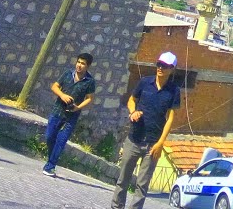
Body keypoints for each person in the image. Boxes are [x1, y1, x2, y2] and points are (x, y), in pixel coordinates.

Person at [110, 51, 181, 209]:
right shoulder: (144, 82)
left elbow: (170, 118)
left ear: (172, 69)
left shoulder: (174, 91)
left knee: (142, 185)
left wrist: (161, 143)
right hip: (134, 138)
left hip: (153, 144)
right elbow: (131, 100)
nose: (160, 68)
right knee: (123, 179)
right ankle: (116, 206)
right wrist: (133, 112)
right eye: (159, 64)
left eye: (165, 66)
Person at [42, 52, 97, 176]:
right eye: (78, 62)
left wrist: (78, 108)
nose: (79, 65)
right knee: (49, 137)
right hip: (57, 111)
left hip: (72, 116)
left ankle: (50, 166)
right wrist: (62, 95)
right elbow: (54, 86)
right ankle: (51, 160)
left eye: (83, 64)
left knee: (61, 141)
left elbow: (89, 98)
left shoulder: (90, 82)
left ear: (88, 66)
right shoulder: (67, 74)